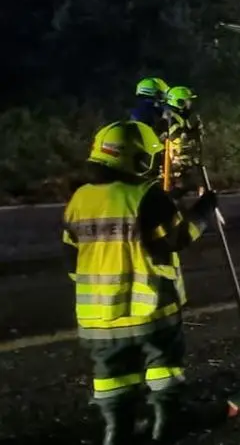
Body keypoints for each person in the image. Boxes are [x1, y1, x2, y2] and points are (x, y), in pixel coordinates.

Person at [64, 121, 216, 444]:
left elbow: (71, 259)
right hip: (151, 312)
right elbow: (176, 238)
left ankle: (116, 431)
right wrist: (204, 211)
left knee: (112, 377)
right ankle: (164, 427)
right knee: (163, 367)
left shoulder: (79, 200)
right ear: (138, 159)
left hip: (98, 320)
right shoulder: (147, 197)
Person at [162, 86, 204, 197]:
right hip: (175, 161)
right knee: (178, 187)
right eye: (187, 101)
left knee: (194, 183)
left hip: (188, 158)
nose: (190, 103)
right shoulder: (169, 117)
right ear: (179, 102)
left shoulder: (188, 117)